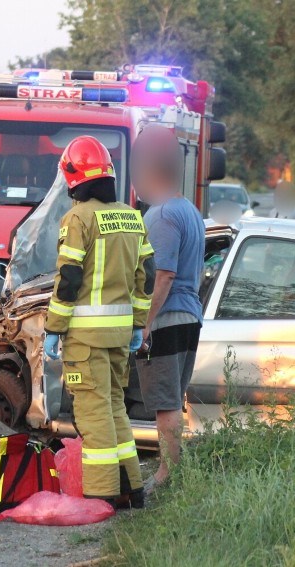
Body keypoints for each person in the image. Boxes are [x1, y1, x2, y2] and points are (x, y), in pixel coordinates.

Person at [43, 136, 154, 509]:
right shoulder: (131, 216)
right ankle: (131, 487)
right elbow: (147, 276)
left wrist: (54, 327)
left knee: (93, 414)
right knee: (115, 407)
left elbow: (70, 279)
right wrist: (138, 322)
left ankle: (102, 493)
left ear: (73, 177)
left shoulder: (77, 218)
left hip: (85, 337)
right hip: (120, 334)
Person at [130, 125, 205, 493]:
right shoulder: (189, 210)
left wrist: (144, 323)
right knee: (175, 398)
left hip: (167, 316)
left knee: (165, 402)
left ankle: (166, 474)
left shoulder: (160, 216)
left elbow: (163, 275)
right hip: (190, 315)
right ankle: (174, 470)